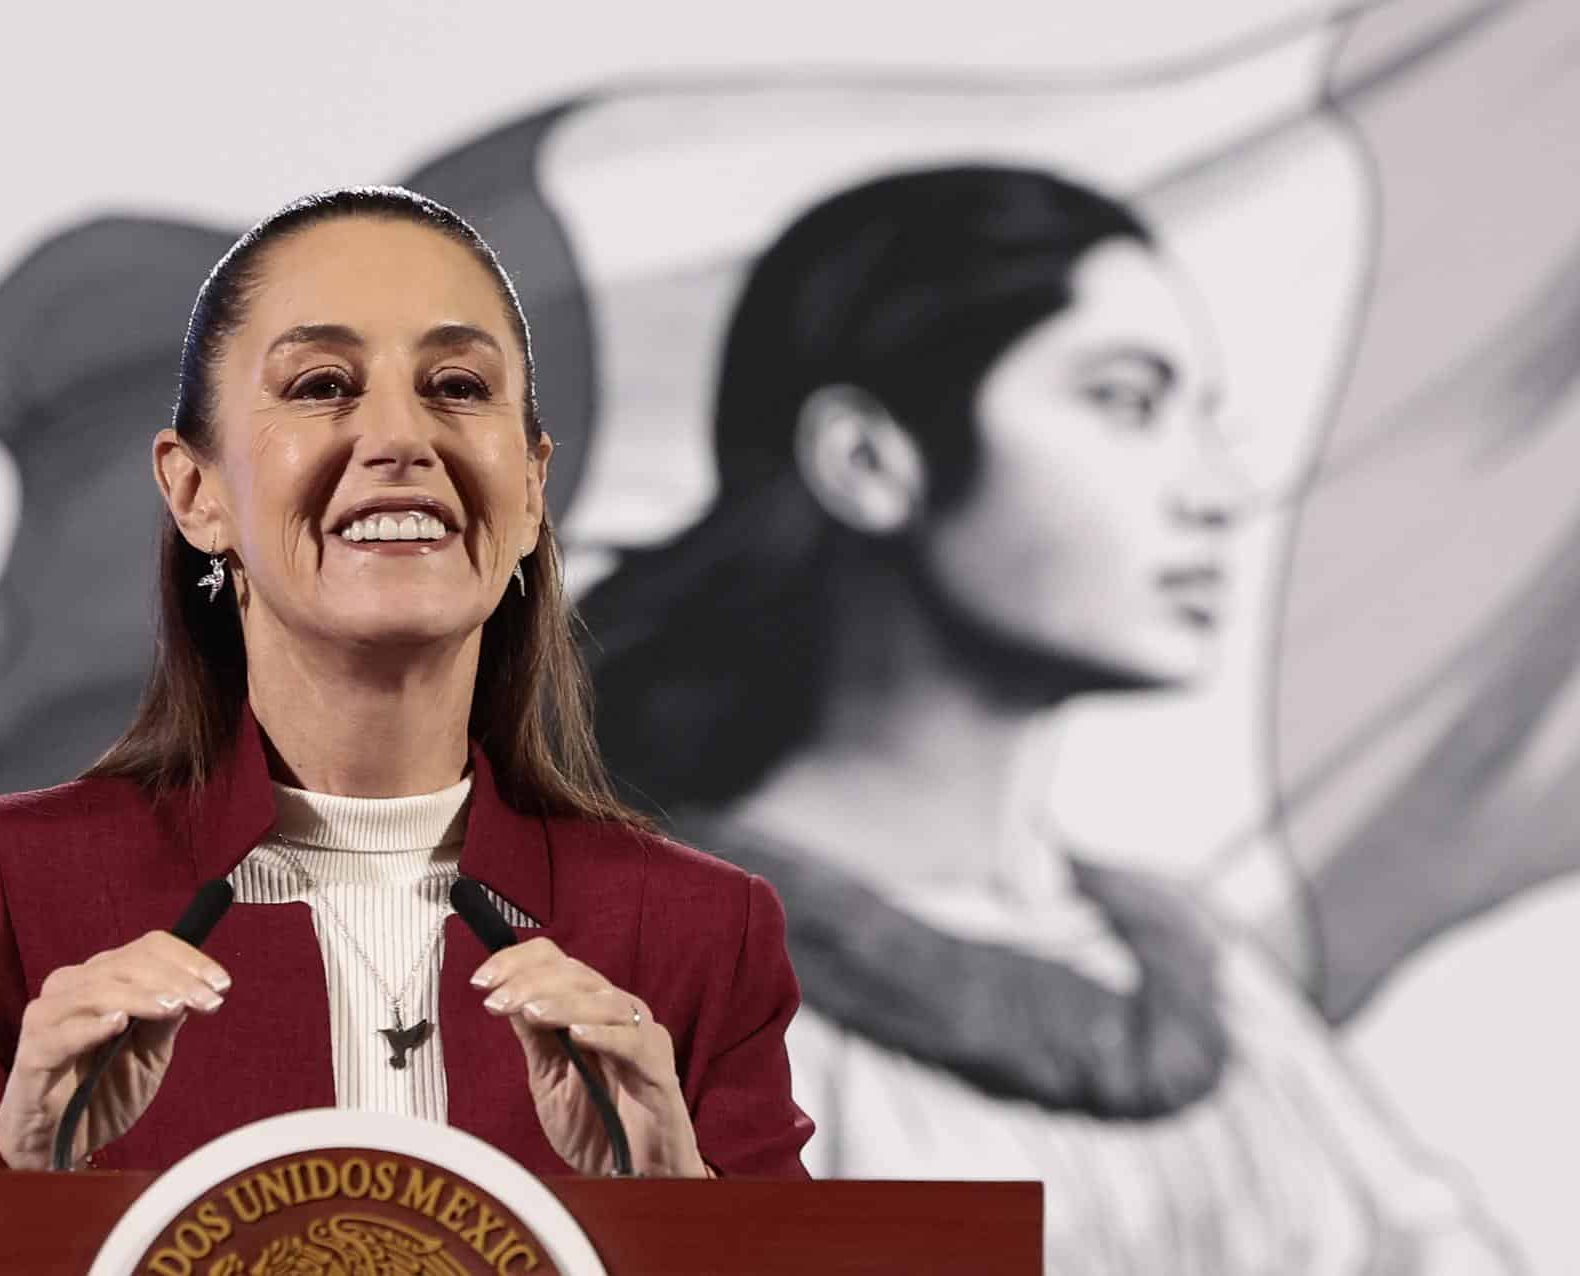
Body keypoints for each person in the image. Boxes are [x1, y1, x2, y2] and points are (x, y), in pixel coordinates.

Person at [580, 167, 1517, 1271]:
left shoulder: (1207, 983)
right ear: (869, 461)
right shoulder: (652, 997)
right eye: (1125, 401)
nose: (1216, 490)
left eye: (1205, 418)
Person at [0, 186, 813, 1179]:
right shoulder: (12, 884)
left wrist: (680, 1210)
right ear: (195, 491)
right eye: (320, 385)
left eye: (461, 387)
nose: (400, 438)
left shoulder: (698, 929)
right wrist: (15, 1163)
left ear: (528, 492)